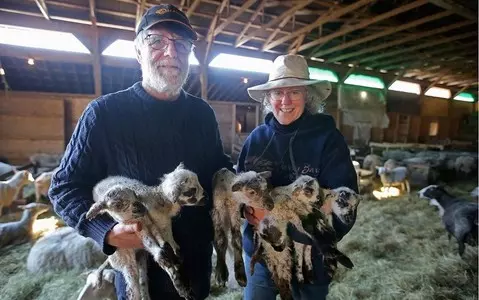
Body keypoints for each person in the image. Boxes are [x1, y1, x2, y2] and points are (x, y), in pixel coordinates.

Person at [48, 4, 233, 300]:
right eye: (156, 41)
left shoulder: (202, 114)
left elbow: (216, 168)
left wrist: (238, 192)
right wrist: (106, 231)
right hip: (140, 271)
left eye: (181, 44)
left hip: (196, 262)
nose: (171, 53)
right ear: (138, 51)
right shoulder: (104, 114)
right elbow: (64, 187)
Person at [237, 54, 359, 300]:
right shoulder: (256, 140)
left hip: (309, 258)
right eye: (278, 93)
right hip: (262, 253)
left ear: (307, 96)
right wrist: (245, 210)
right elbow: (237, 193)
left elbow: (346, 205)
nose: (285, 100)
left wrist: (277, 219)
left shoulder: (327, 139)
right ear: (269, 98)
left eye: (294, 92)